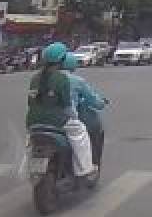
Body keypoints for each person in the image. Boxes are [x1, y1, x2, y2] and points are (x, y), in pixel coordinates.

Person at [26, 42, 94, 182]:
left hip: (32, 121)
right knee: (80, 132)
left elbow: (30, 102)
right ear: (62, 60)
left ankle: (27, 169)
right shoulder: (61, 78)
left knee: (31, 143)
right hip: (57, 121)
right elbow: (67, 106)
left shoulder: (35, 78)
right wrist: (75, 118)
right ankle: (85, 169)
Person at [62, 53, 107, 168]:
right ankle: (90, 167)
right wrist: (102, 102)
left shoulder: (43, 79)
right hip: (67, 120)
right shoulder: (76, 81)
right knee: (93, 130)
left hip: (43, 121)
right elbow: (94, 101)